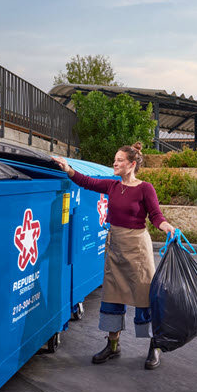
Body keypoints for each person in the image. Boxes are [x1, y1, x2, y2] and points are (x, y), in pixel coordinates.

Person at [53, 142, 176, 370]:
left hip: (138, 248)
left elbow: (156, 215)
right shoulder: (112, 186)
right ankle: (113, 345)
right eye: (115, 159)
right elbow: (87, 182)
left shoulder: (145, 189)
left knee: (145, 296)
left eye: (119, 160)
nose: (114, 163)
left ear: (131, 164)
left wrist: (166, 226)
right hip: (115, 246)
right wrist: (67, 168)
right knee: (112, 295)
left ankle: (154, 346)